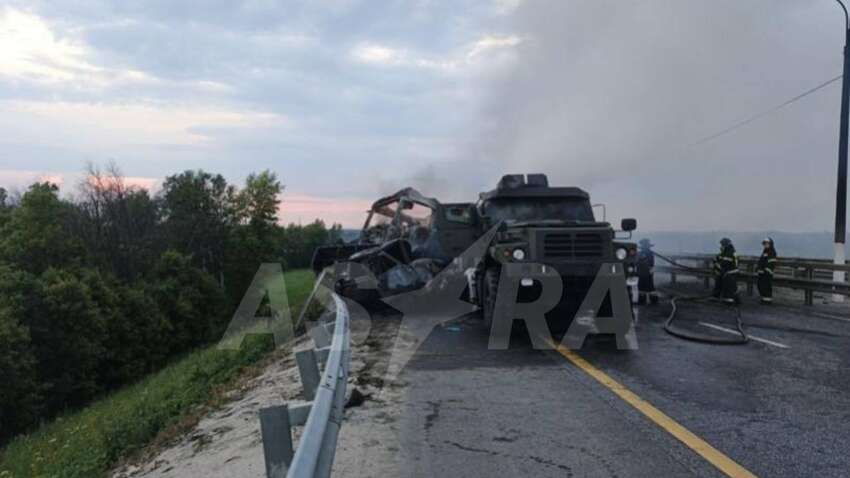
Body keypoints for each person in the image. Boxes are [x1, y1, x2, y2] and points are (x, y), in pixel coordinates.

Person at [713, 237, 739, 303]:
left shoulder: (730, 252)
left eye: (722, 245)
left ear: (726, 245)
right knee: (718, 280)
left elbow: (724, 264)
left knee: (729, 286)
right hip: (726, 272)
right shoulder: (725, 252)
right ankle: (716, 296)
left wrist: (717, 265)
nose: (721, 246)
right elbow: (717, 258)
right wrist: (716, 263)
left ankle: (729, 300)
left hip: (731, 272)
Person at [636, 238, 659, 305]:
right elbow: (636, 262)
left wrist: (642, 260)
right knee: (641, 287)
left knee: (650, 287)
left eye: (645, 246)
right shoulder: (639, 253)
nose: (644, 247)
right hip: (641, 273)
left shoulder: (650, 254)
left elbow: (651, 264)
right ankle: (642, 301)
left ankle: (653, 301)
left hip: (647, 272)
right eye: (644, 246)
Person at [756, 237, 777, 304]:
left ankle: (767, 301)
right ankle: (764, 299)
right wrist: (758, 268)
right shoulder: (765, 251)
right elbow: (761, 261)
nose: (765, 245)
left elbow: (771, 263)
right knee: (760, 285)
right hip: (762, 272)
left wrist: (765, 270)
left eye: (767, 243)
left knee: (766, 286)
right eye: (764, 243)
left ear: (770, 244)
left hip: (767, 273)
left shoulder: (772, 252)